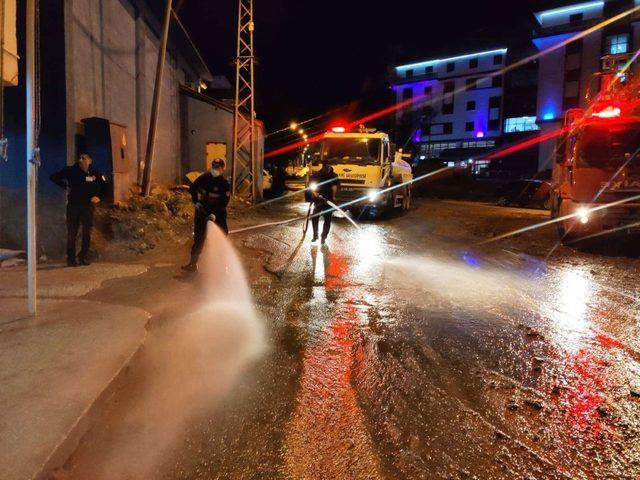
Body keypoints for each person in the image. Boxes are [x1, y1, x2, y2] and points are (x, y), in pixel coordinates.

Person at [50, 154, 107, 267]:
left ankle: (82, 257)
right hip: (73, 207)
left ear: (90, 161)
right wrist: (65, 186)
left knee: (87, 233)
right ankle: (71, 259)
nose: (81, 160)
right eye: (80, 158)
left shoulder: (95, 173)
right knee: (72, 234)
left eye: (84, 158)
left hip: (88, 207)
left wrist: (98, 196)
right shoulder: (71, 170)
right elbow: (53, 177)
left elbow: (105, 186)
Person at [182, 158, 231, 272]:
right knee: (199, 239)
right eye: (213, 167)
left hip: (218, 215)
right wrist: (197, 202)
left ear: (222, 169)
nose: (215, 169)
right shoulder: (204, 178)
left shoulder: (224, 184)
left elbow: (224, 202)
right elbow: (192, 189)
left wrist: (215, 214)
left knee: (221, 239)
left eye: (217, 168)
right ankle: (192, 264)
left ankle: (222, 267)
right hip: (202, 212)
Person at [308, 162, 340, 244]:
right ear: (324, 166)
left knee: (327, 219)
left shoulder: (334, 176)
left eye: (329, 166)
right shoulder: (317, 175)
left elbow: (335, 187)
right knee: (314, 217)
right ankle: (315, 235)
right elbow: (312, 185)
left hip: (328, 201)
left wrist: (334, 196)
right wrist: (314, 192)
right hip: (318, 200)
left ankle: (323, 237)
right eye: (326, 166)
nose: (328, 168)